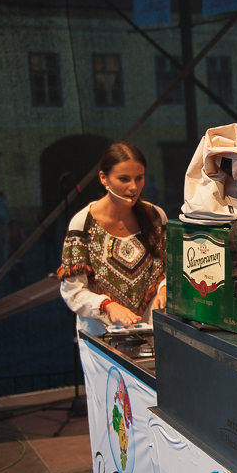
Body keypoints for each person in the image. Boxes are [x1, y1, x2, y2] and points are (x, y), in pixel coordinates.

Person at [56, 143, 167, 336]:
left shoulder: (156, 216)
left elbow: (172, 268)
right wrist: (106, 305)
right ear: (103, 178)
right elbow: (72, 290)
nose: (133, 187)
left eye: (139, 178)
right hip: (101, 334)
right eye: (124, 179)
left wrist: (165, 289)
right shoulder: (83, 223)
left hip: (152, 331)